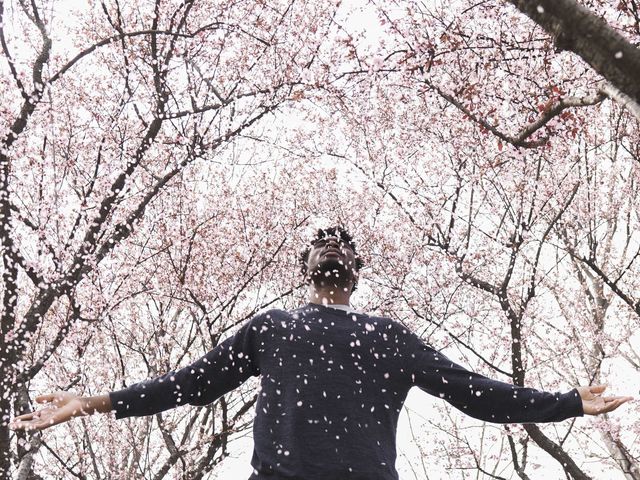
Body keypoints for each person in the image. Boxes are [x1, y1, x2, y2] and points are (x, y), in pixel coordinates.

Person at [10, 226, 634, 479]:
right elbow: (189, 384)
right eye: (326, 248)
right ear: (331, 272)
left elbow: (475, 393)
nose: (331, 255)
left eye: (336, 250)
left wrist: (569, 403)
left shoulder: (358, 336)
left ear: (340, 272)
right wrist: (92, 401)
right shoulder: (305, 331)